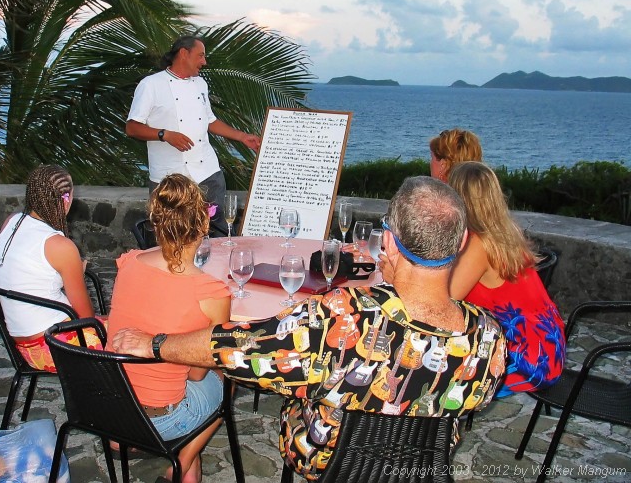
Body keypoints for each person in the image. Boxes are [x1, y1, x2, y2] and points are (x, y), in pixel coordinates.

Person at [113, 176, 507, 482]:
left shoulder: (341, 316)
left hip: (329, 456)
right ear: (462, 242)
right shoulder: (490, 339)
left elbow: (241, 349)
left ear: (387, 241)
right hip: (421, 466)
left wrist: (156, 343)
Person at [106, 174, 231, 483]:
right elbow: (197, 374)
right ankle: (178, 464)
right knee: (230, 370)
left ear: (156, 221)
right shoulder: (211, 293)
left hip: (108, 407)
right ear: (204, 225)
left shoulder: (129, 261)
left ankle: (185, 463)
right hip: (160, 420)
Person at [447, 161, 565, 397]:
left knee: (432, 366)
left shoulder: (479, 245)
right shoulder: (504, 232)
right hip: (549, 347)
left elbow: (443, 302)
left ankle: (430, 427)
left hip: (526, 361)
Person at [126, 35, 261, 233]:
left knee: (217, 232)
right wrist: (165, 135)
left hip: (208, 174)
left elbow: (210, 121)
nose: (204, 62)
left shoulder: (200, 84)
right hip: (169, 178)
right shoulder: (151, 85)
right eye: (200, 56)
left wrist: (241, 136)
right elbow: (131, 127)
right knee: (169, 234)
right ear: (183, 53)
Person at [0, 164, 102, 372]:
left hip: (24, 343)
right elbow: (86, 319)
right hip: (56, 347)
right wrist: (76, 273)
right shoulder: (59, 246)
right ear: (66, 200)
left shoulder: (11, 222)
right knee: (131, 335)